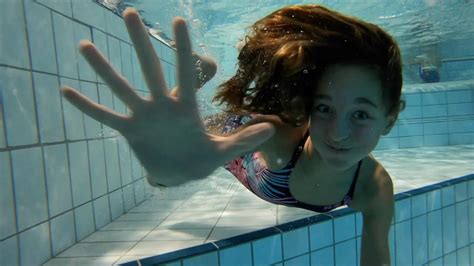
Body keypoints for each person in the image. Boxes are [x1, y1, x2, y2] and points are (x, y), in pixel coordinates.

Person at [61, 5, 405, 265]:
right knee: (206, 127)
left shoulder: (373, 188)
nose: (337, 133)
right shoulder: (278, 134)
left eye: (360, 115)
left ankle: (202, 75)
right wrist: (167, 173)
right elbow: (178, 165)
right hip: (238, 141)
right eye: (325, 108)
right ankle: (201, 73)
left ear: (389, 119)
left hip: (244, 149)